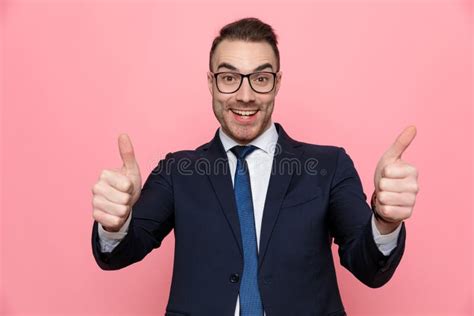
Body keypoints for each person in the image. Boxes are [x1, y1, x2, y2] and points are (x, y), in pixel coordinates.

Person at [91, 17, 419, 316]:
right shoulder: (177, 171)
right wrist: (115, 223)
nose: (245, 95)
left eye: (260, 78)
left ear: (276, 83)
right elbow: (120, 253)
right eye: (229, 77)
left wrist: (385, 220)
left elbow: (368, 267)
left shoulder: (328, 165)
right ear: (211, 82)